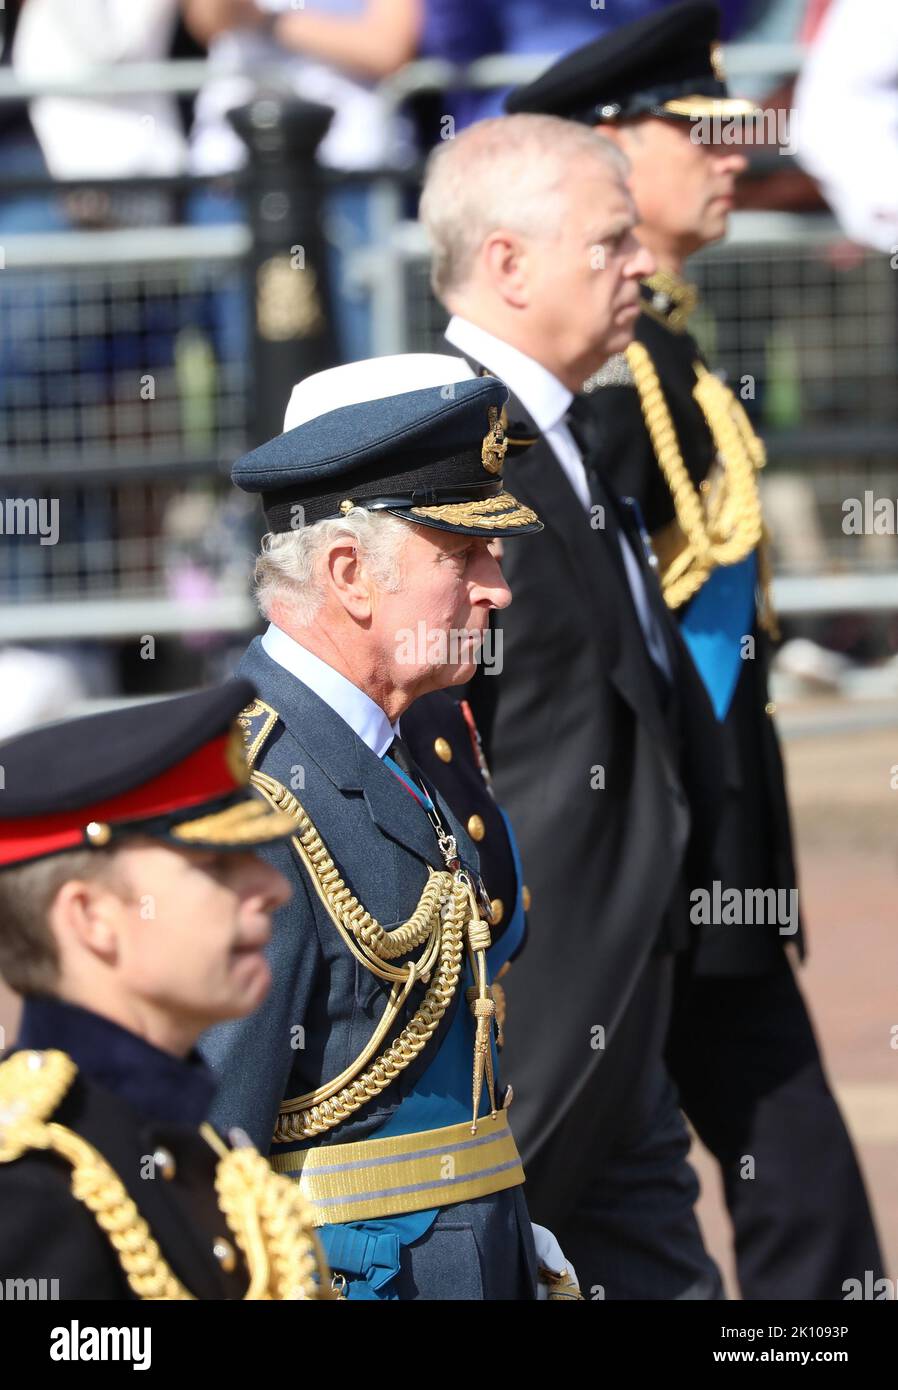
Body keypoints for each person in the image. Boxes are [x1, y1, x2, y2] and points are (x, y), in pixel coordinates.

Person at [507, 0, 885, 1299]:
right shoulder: (608, 367)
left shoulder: (663, 337)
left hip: (708, 822)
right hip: (656, 833)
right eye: (701, 131)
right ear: (608, 148)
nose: (732, 154)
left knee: (721, 1162)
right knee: (604, 1157)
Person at [419, 113, 726, 1298]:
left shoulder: (562, 424)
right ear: (508, 263)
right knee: (477, 1266)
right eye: (608, 245)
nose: (641, 262)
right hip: (525, 994)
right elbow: (419, 724)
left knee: (660, 1274)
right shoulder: (447, 446)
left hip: (619, 971)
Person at [202, 352, 580, 1300]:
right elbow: (213, 1148)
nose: (498, 588)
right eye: (462, 557)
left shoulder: (420, 734)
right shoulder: (249, 789)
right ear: (348, 575)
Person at [0, 679, 330, 1300]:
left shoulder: (195, 1146)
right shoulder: (32, 1189)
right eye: (217, 867)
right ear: (93, 917)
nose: (275, 889)